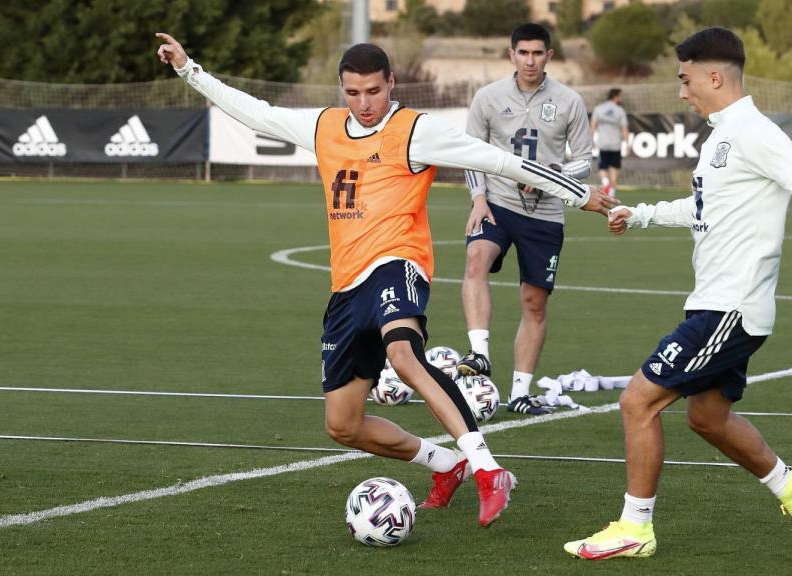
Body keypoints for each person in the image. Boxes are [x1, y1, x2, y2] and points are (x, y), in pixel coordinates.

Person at [155, 33, 615, 528]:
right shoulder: (324, 126)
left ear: (391, 83)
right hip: (347, 286)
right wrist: (188, 69)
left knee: (403, 353)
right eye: (353, 93)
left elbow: (499, 160)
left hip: (399, 262)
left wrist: (574, 192)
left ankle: (487, 468)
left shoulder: (415, 130)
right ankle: (447, 464)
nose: (364, 103)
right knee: (343, 424)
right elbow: (254, 111)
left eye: (373, 91)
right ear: (341, 90)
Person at [563, 27, 792, 560]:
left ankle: (634, 529)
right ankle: (790, 485)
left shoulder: (752, 131)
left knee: (637, 401)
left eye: (685, 79)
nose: (682, 91)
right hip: (717, 303)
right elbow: (703, 212)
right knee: (706, 418)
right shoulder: (720, 136)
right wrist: (639, 214)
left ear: (715, 76)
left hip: (730, 308)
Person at [456, 23, 594, 416]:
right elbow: (470, 152)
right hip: (496, 204)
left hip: (545, 215)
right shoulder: (488, 97)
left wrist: (553, 176)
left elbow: (584, 159)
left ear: (549, 56)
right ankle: (478, 353)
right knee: (475, 258)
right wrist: (478, 199)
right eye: (523, 53)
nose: (530, 60)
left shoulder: (569, 101)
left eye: (538, 53)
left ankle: (519, 393)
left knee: (534, 303)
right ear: (511, 55)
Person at [591, 87, 629, 191]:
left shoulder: (598, 109)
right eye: (620, 96)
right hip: (615, 144)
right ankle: (612, 191)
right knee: (614, 168)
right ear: (615, 97)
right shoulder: (620, 110)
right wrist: (627, 143)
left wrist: (592, 140)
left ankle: (605, 182)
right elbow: (624, 129)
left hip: (603, 143)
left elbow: (593, 126)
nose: (621, 99)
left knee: (602, 167)